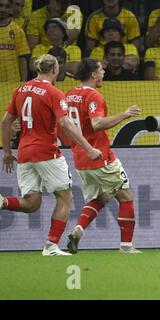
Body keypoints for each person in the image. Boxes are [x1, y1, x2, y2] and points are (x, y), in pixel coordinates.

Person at [0, 54, 102, 256]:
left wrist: (7, 152)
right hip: (46, 151)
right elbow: (65, 124)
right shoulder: (54, 93)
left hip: (25, 152)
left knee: (31, 203)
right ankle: (51, 246)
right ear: (54, 70)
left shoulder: (20, 89)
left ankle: (2, 202)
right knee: (65, 197)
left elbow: (5, 122)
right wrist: (89, 149)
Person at [65, 58, 142, 254]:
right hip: (99, 156)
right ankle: (126, 246)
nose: (104, 73)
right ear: (93, 74)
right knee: (126, 197)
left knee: (101, 197)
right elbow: (97, 124)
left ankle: (78, 230)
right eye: (101, 70)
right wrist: (124, 114)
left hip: (81, 159)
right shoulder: (93, 96)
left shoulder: (70, 95)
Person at [0, 0, 29, 82]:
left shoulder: (18, 30)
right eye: (0, 5)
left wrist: (23, 83)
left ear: (10, 9)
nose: (3, 9)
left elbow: (22, 59)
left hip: (12, 82)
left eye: (7, 6)